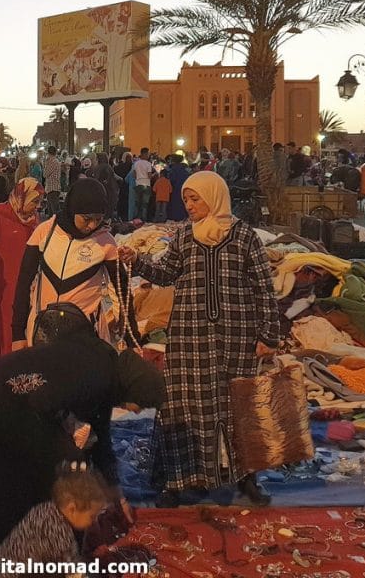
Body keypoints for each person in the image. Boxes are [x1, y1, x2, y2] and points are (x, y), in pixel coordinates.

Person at [117, 171, 280, 508]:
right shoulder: (184, 238)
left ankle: (246, 478)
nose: (189, 205)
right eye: (186, 199)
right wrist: (139, 261)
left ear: (214, 196)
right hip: (189, 336)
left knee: (239, 405)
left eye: (195, 199)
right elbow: (166, 273)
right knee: (184, 405)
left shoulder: (244, 236)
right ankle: (181, 481)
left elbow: (264, 288)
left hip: (237, 335)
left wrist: (269, 335)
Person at [0, 325, 165, 558]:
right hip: (7, 397)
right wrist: (70, 458)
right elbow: (44, 404)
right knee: (40, 476)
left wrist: (116, 494)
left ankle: (2, 552)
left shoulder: (108, 369)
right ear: (134, 389)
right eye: (141, 404)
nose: (137, 409)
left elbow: (102, 441)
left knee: (6, 475)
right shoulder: (99, 377)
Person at [12, 178, 122, 348]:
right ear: (72, 210)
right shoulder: (44, 232)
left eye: (98, 219)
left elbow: (122, 291)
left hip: (86, 336)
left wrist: (130, 338)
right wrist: (17, 334)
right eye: (86, 219)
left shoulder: (106, 242)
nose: (92, 225)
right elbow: (24, 282)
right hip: (42, 332)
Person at [0, 178, 45, 366]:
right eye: (34, 201)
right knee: (2, 328)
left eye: (39, 202)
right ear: (21, 197)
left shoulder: (33, 221)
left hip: (26, 284)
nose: (37, 207)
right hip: (3, 286)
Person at [0, 467, 109, 570]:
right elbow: (72, 568)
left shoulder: (44, 509)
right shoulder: (58, 530)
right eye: (92, 516)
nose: (93, 522)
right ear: (72, 509)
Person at [132, 148, 154, 221]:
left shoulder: (136, 163)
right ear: (145, 154)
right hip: (146, 184)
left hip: (138, 184)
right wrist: (155, 174)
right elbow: (149, 176)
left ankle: (137, 218)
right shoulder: (148, 164)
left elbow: (134, 175)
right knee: (144, 204)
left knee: (138, 203)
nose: (148, 155)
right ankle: (144, 219)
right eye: (148, 154)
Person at [166, 155, 191, 222]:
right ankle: (184, 217)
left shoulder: (173, 169)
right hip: (184, 187)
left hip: (175, 189)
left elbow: (172, 179)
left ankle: (176, 217)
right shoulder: (185, 168)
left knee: (175, 204)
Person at [42, 146, 63, 216]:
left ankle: (57, 225)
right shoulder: (55, 161)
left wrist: (45, 163)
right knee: (52, 211)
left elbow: (45, 174)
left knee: (54, 211)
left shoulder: (52, 162)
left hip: (52, 188)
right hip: (52, 188)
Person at [114, 153, 133, 220]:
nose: (130, 160)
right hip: (127, 187)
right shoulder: (131, 167)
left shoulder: (118, 167)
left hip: (123, 187)